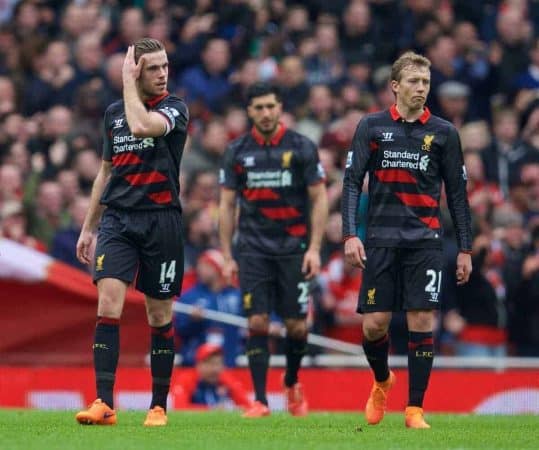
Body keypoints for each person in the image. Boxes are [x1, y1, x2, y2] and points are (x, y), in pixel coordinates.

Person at [342, 51, 473, 429]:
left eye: (426, 83)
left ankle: (415, 409)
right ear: (395, 86)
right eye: (414, 82)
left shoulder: (445, 133)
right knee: (374, 326)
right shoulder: (372, 126)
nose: (421, 89)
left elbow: (458, 194)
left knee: (421, 319)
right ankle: (382, 380)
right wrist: (351, 235)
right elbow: (351, 183)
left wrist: (464, 248)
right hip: (381, 241)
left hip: (425, 241)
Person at [74, 38, 189, 427]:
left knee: (159, 314)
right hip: (119, 220)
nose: (162, 74)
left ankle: (158, 405)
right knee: (108, 305)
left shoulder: (175, 108)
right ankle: (104, 402)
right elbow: (106, 172)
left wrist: (126, 81)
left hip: (161, 220)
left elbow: (143, 124)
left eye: (165, 66)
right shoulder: (112, 115)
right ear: (138, 70)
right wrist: (89, 227)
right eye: (153, 68)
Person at [219, 82, 328, 418]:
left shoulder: (301, 147)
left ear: (280, 107)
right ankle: (261, 401)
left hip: (294, 249)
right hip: (253, 249)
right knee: (257, 322)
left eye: (271, 106)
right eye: (258, 107)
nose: (266, 113)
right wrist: (226, 255)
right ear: (249, 111)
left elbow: (319, 198)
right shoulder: (237, 151)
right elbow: (226, 205)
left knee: (297, 327)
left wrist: (314, 249)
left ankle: (292, 381)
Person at [172, 343, 253, 410]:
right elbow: (180, 408)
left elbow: (247, 406)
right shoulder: (187, 378)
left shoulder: (225, 378)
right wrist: (212, 409)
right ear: (198, 365)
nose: (215, 369)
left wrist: (231, 409)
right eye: (210, 363)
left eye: (218, 363)